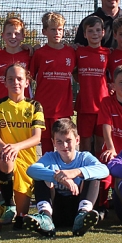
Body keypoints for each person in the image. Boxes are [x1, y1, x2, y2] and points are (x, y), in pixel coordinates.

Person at [24, 118, 110, 237]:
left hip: (77, 208)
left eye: (68, 140)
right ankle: (45, 218)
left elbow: (104, 170)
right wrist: (60, 178)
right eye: (59, 141)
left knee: (93, 176)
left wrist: (75, 172)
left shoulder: (84, 157)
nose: (64, 145)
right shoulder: (50, 157)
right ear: (53, 142)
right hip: (55, 211)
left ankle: (82, 216)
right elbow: (31, 170)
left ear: (77, 140)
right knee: (40, 177)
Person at [0, 63, 45, 228]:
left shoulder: (35, 106)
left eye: (19, 79)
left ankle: (11, 203)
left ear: (27, 82)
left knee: (21, 217)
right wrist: (6, 148)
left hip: (26, 159)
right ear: (4, 82)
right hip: (4, 154)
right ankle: (8, 203)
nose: (15, 82)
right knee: (6, 158)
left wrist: (16, 147)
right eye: (10, 79)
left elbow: (37, 138)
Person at [30, 11, 75, 155]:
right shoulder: (40, 53)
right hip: (44, 108)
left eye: (60, 29)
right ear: (44, 31)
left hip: (63, 108)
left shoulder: (71, 52)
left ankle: (67, 168)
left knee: (66, 144)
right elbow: (31, 76)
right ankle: (48, 169)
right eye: (53, 29)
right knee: (46, 146)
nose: (57, 33)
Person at [74, 15, 111, 155]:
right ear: (84, 34)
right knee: (84, 143)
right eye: (90, 31)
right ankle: (84, 168)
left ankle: (99, 167)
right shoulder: (78, 52)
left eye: (97, 30)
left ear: (103, 32)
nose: (94, 34)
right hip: (85, 104)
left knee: (100, 143)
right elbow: (73, 71)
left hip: (103, 104)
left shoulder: (108, 53)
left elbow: (114, 76)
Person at [0, 16, 31, 100]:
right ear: (3, 35)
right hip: (2, 102)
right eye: (9, 34)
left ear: (23, 36)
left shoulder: (29, 54)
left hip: (24, 103)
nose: (13, 36)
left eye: (17, 34)